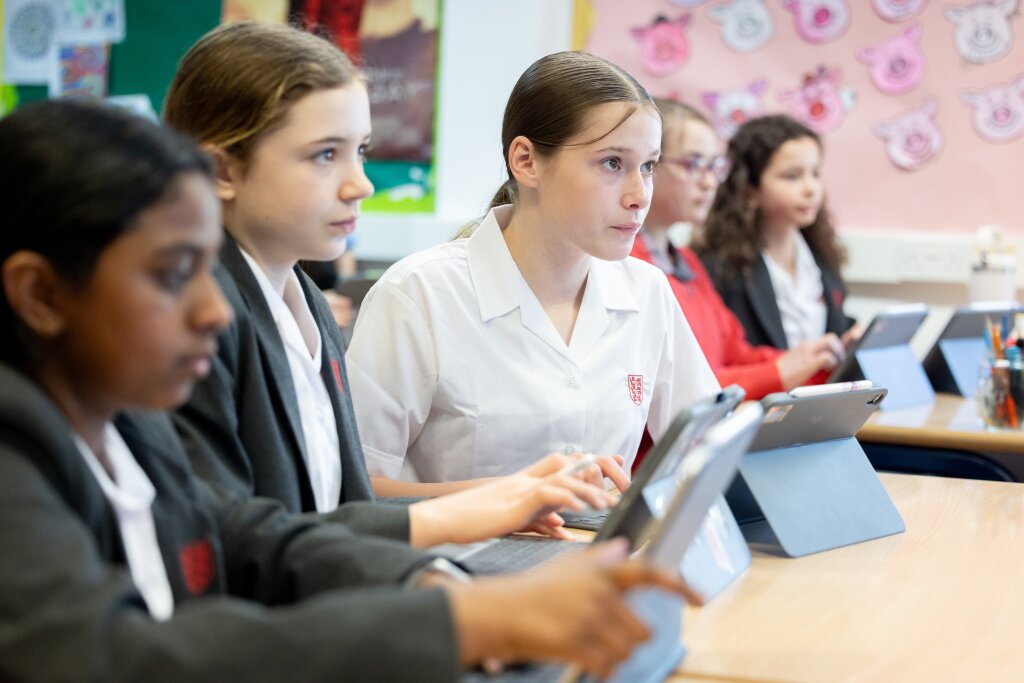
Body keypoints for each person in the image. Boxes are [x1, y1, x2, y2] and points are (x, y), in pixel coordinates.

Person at [0, 99, 692, 682]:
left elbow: (255, 539)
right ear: (39, 295)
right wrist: (464, 621)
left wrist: (434, 585)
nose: (214, 311)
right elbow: (109, 657)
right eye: (175, 273)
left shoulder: (131, 426)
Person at [166, 22, 615, 544]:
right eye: (325, 155)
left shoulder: (306, 302)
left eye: (360, 151)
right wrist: (463, 523)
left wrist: (499, 500)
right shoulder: (192, 317)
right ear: (222, 171)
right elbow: (235, 537)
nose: (361, 184)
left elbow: (344, 507)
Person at [345, 51, 720, 497]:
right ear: (526, 161)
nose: (639, 195)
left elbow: (710, 449)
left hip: (600, 543)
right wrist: (513, 496)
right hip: (467, 544)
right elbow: (353, 492)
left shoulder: (646, 290)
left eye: (648, 166)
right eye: (612, 163)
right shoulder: (419, 294)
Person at [633, 100, 844, 399]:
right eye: (694, 165)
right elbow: (685, 386)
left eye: (714, 167)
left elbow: (737, 352)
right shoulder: (630, 267)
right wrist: (784, 371)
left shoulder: (687, 262)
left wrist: (817, 359)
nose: (710, 182)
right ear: (648, 165)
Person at [693, 114, 861, 353]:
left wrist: (853, 337)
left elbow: (835, 325)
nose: (810, 189)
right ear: (750, 189)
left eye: (815, 173)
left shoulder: (821, 256)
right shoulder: (720, 269)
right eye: (792, 176)